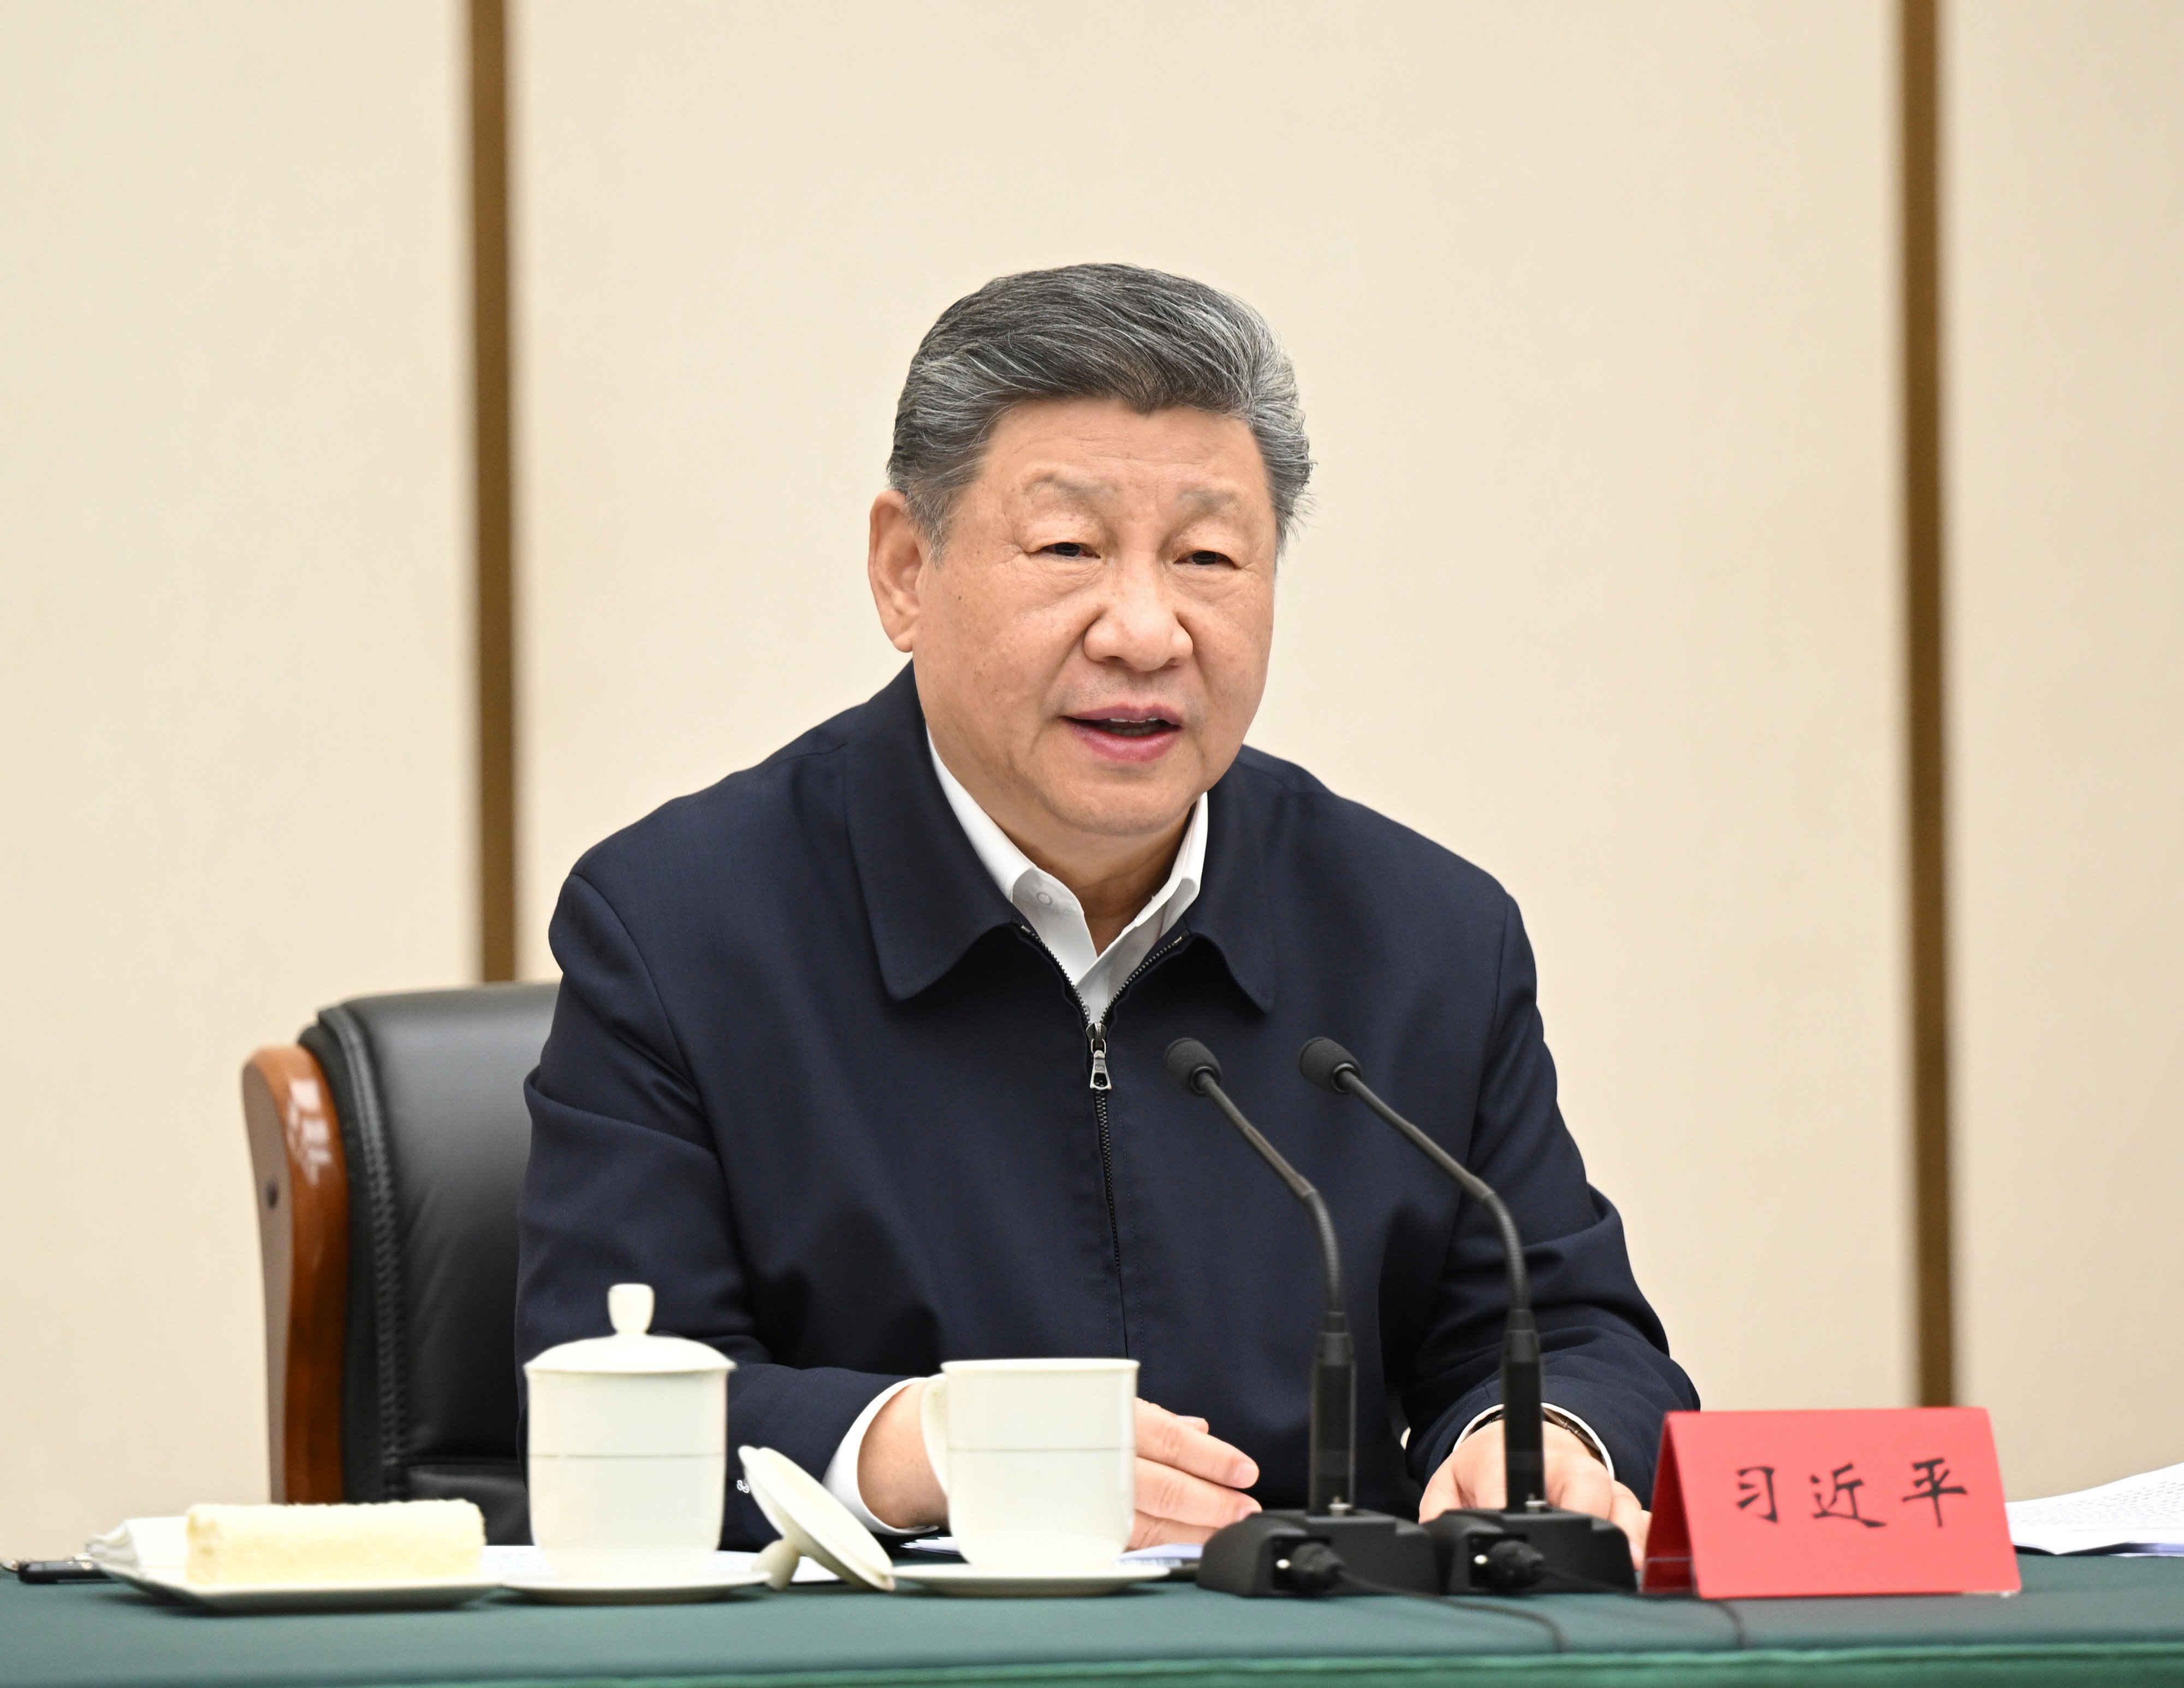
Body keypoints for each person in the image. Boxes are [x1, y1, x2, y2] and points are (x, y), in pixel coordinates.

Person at [517, 263, 1697, 1555]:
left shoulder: (1424, 936)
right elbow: (601, 1392)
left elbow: (1575, 1331)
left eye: (1206, 558)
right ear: (906, 570)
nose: (1145, 629)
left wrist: (1536, 1439)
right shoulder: (683, 928)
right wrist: (923, 1451)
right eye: (1069, 548)